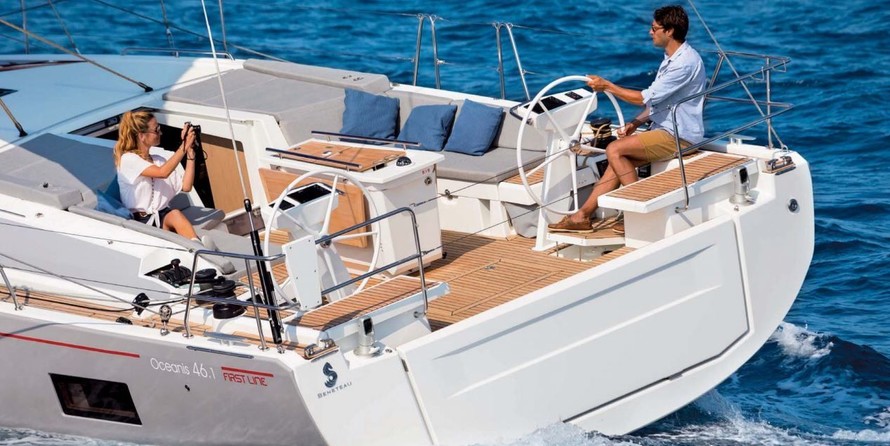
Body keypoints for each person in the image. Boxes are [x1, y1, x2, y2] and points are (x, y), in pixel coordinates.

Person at [548, 5, 707, 233]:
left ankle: (638, 214)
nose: (650, 32)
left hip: (680, 136)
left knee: (614, 149)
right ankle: (582, 216)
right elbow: (658, 103)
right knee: (619, 159)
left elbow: (643, 98)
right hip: (664, 128)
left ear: (669, 31)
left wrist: (607, 86)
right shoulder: (672, 58)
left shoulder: (684, 63)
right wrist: (636, 123)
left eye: (654, 28)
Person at [113, 110, 205, 244]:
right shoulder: (128, 160)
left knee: (175, 214)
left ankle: (198, 247)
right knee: (173, 215)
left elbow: (186, 186)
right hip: (141, 221)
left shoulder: (159, 160)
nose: (160, 133)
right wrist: (183, 147)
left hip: (162, 216)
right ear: (142, 136)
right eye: (156, 130)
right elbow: (162, 173)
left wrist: (190, 153)